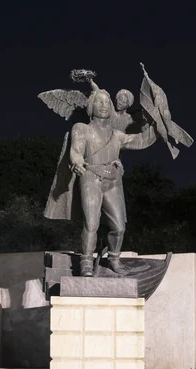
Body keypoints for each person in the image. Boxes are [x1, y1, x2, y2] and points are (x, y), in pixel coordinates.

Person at [55, 88, 157, 276]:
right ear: (91, 106)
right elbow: (75, 151)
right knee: (91, 223)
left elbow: (142, 141)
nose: (103, 106)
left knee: (119, 227)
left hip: (113, 181)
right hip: (90, 177)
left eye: (106, 102)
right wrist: (77, 161)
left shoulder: (117, 135)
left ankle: (114, 259)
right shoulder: (81, 128)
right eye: (99, 102)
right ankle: (86, 261)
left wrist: (153, 121)